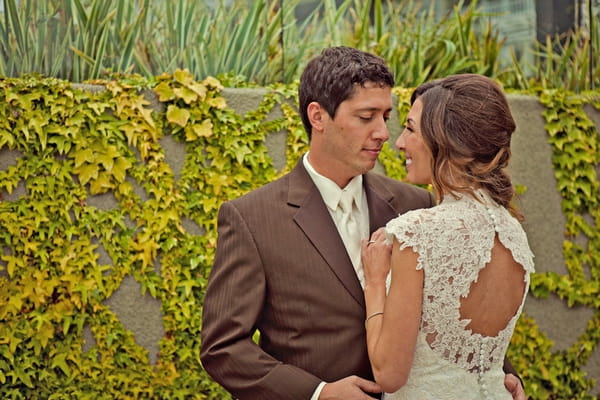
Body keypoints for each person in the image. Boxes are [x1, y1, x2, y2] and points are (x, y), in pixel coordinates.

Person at [200, 47, 525, 400]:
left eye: (386, 116)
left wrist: (497, 376)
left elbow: (452, 313)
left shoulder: (416, 205)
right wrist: (318, 393)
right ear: (318, 116)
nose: (384, 133)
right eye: (366, 116)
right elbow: (223, 348)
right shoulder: (251, 218)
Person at [361, 74, 535, 399]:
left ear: (450, 141)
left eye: (411, 129)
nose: (398, 142)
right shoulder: (515, 237)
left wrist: (374, 281)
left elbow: (389, 374)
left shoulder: (417, 234)